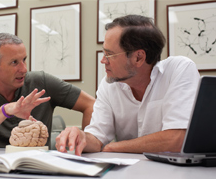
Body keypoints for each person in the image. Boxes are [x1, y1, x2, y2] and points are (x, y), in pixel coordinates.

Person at [56, 14, 200, 155]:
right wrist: (82, 137)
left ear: (138, 58)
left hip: (177, 174)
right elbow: (97, 137)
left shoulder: (179, 70)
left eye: (109, 55)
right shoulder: (109, 84)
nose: (103, 61)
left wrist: (113, 147)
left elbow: (177, 139)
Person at [0, 33, 95, 148]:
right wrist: (6, 110)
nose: (24, 69)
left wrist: (87, 145)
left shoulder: (41, 82)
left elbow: (91, 105)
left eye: (24, 60)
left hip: (37, 171)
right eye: (14, 62)